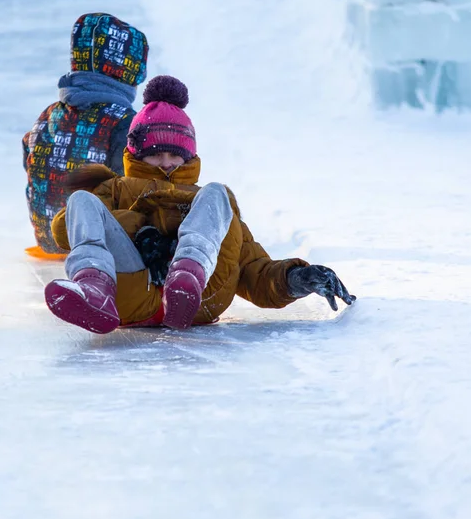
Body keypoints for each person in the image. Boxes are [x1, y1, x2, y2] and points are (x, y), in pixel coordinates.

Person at [44, 75, 356, 332]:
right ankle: (95, 289)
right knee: (81, 201)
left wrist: (297, 279)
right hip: (130, 289)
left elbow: (251, 267)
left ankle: (187, 274)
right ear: (136, 155)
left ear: (189, 156)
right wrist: (140, 231)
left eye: (174, 154)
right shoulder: (115, 189)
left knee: (218, 192)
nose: (166, 163)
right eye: (155, 154)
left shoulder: (208, 204)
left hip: (201, 295)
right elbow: (63, 230)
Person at [23, 12, 149, 258]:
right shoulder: (124, 122)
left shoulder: (48, 114)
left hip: (48, 239)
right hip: (96, 247)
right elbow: (133, 189)